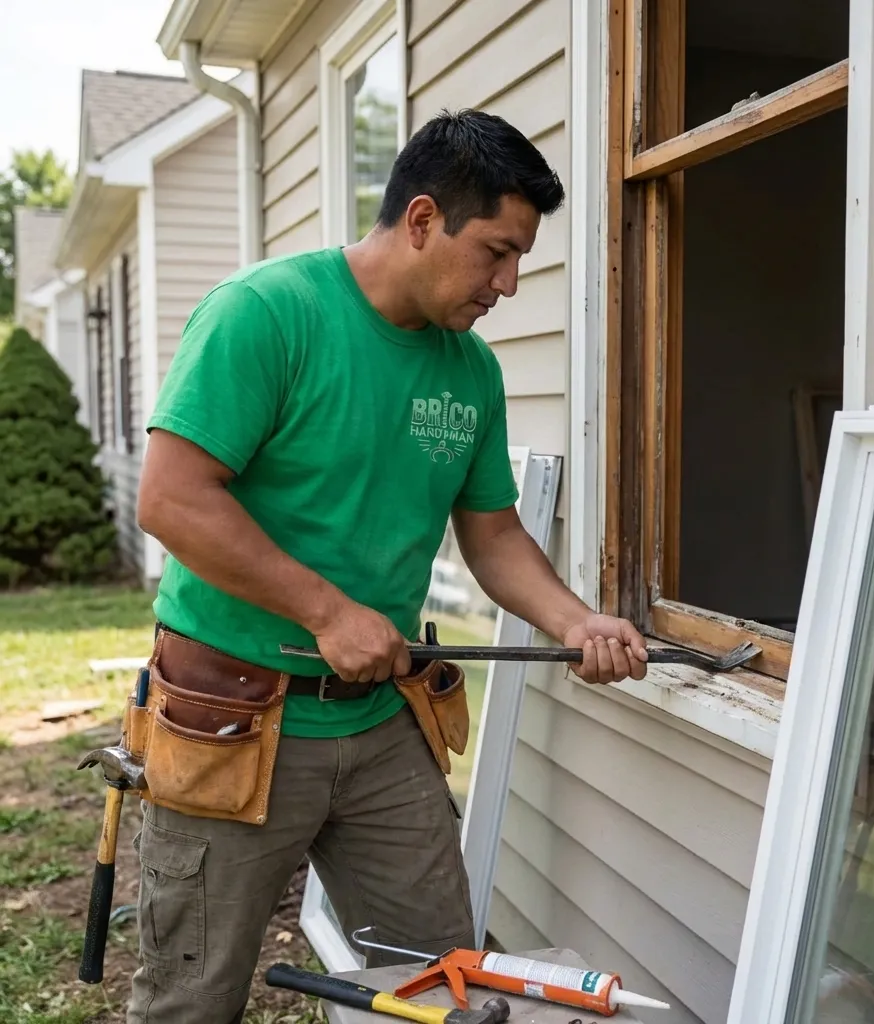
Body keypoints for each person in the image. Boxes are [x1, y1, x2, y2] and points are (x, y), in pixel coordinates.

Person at [128, 108, 649, 1023]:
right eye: (495, 251)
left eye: (520, 257)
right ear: (420, 220)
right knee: (190, 998)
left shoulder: (470, 372)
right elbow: (172, 498)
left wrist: (577, 623)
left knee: (446, 981)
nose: (509, 282)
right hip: (232, 721)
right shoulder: (268, 314)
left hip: (377, 724)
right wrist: (328, 612)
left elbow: (492, 536)